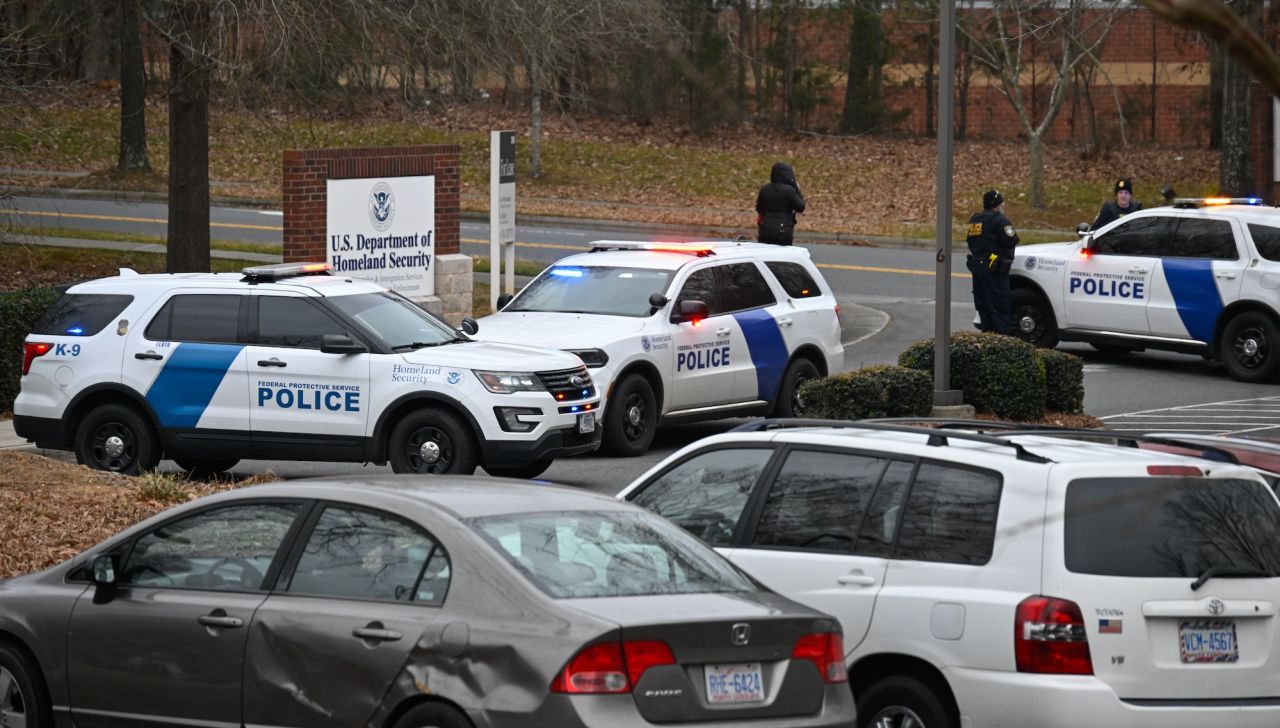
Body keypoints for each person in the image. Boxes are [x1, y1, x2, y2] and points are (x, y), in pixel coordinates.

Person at [966, 189, 1020, 335]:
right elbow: (1011, 240)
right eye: (1002, 204)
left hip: (977, 267)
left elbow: (971, 243)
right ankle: (1003, 346)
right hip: (993, 268)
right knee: (1000, 309)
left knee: (985, 310)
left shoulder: (975, 220)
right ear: (997, 205)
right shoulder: (1000, 220)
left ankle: (988, 342)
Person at [755, 162, 806, 245]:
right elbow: (800, 207)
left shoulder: (765, 189)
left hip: (765, 229)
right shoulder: (790, 191)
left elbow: (759, 208)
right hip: (783, 230)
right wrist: (797, 189)